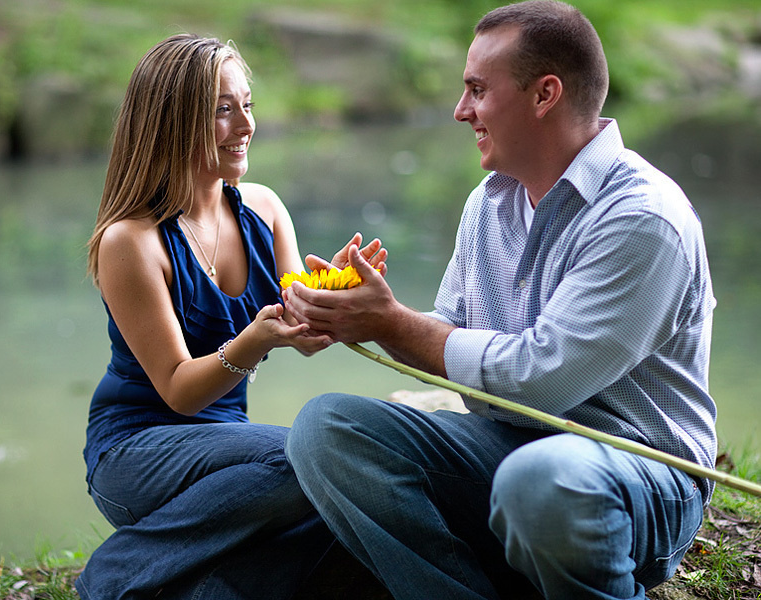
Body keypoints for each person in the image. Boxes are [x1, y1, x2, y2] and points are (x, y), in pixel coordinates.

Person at [282, 2, 717, 599]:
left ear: (545, 95)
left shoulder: (643, 219)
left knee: (540, 483)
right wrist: (360, 313)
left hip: (639, 472)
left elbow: (542, 378)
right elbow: (451, 330)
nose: (462, 111)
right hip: (509, 448)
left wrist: (393, 323)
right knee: (325, 428)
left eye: (478, 90)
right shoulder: (487, 204)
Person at [75, 34, 387, 600]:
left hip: (228, 454)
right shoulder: (131, 243)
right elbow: (178, 391)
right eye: (223, 109)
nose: (245, 125)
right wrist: (253, 340)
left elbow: (296, 311)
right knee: (312, 456)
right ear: (172, 121)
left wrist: (334, 288)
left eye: (247, 105)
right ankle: (116, 574)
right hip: (138, 453)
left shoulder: (264, 210)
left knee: (343, 513)